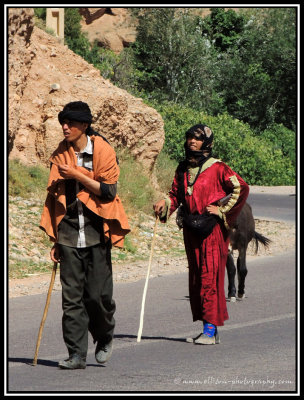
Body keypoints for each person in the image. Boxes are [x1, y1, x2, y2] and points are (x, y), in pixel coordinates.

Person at [40, 101, 130, 369]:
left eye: (71, 123)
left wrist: (77, 175)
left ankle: (104, 336)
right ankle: (76, 354)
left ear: (84, 126)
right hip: (68, 233)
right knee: (72, 299)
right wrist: (56, 239)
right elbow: (54, 195)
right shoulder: (61, 152)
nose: (65, 127)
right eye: (63, 123)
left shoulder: (102, 150)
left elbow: (109, 192)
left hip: (95, 232)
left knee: (97, 297)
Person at [153, 124, 249, 345]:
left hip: (212, 231)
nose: (192, 142)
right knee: (197, 276)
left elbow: (241, 188)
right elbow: (176, 194)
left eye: (196, 139)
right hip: (191, 228)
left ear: (206, 143)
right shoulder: (183, 168)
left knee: (210, 276)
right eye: (189, 138)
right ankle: (206, 328)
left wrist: (222, 210)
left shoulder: (218, 168)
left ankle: (210, 331)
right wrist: (165, 203)